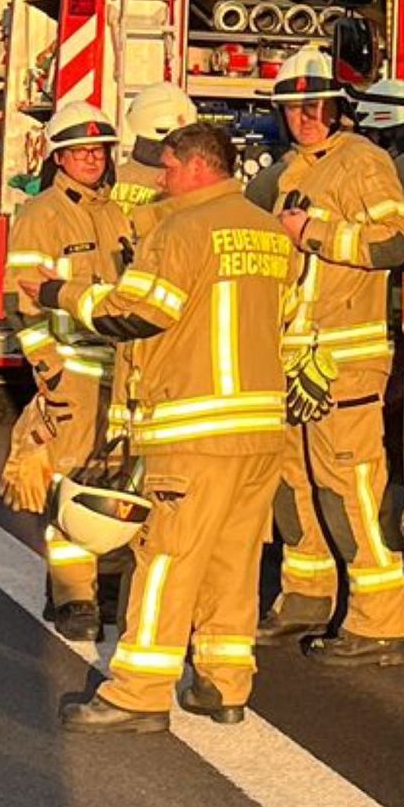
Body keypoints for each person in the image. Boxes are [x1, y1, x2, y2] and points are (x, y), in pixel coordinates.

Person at [57, 116, 295, 732]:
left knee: (168, 557)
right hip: (262, 429)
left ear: (195, 167)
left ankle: (136, 692)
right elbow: (287, 317)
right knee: (234, 559)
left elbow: (137, 314)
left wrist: (66, 295)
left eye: (167, 166)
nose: (159, 178)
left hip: (194, 430)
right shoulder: (270, 232)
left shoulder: (181, 230)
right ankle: (223, 684)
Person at [258, 49, 404, 664]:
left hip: (345, 360)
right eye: (294, 108)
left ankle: (380, 625)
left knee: (348, 489)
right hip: (293, 358)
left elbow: (393, 242)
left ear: (338, 108)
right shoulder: (292, 169)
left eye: (315, 106)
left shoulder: (364, 163)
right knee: (293, 483)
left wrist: (316, 234)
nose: (305, 117)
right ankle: (305, 595)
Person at [1, 106, 134, 644]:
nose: (90, 158)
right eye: (80, 151)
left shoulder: (116, 212)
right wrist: (48, 371)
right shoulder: (43, 214)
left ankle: (101, 582)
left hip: (120, 367)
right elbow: (21, 300)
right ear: (59, 157)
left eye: (98, 150)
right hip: (73, 367)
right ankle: (72, 594)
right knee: (71, 476)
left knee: (116, 476)